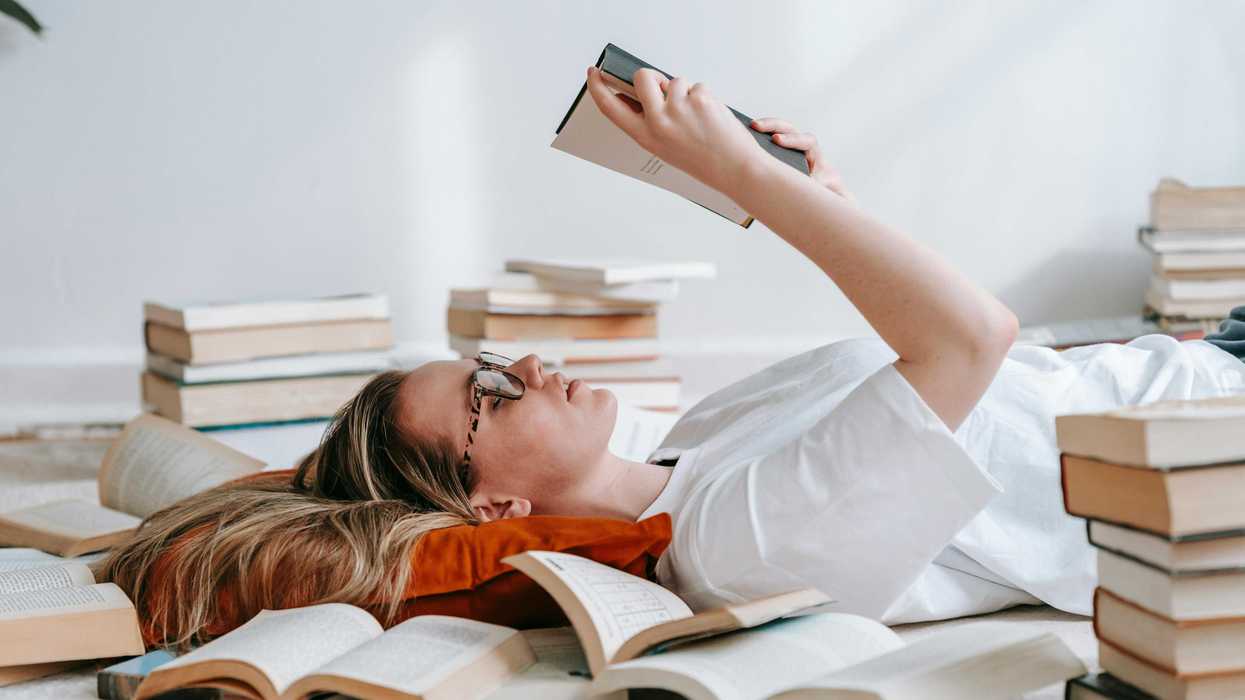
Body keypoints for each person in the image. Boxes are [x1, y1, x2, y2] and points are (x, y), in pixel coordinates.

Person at [100, 67, 1245, 646]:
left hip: (1189, 355)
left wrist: (814, 198)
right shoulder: (737, 543)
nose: (530, 367)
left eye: (496, 359)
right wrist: (751, 183)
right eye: (490, 396)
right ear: (492, 497)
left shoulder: (690, 450)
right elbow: (969, 340)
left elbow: (947, 364)